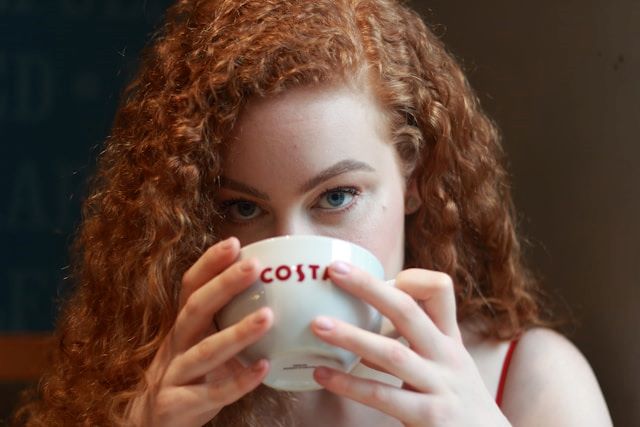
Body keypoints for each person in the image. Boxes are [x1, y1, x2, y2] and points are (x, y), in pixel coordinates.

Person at [15, 0, 612, 426]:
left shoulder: (529, 384)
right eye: (242, 207)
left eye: (335, 197)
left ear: (414, 177)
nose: (291, 247)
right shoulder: (152, 394)